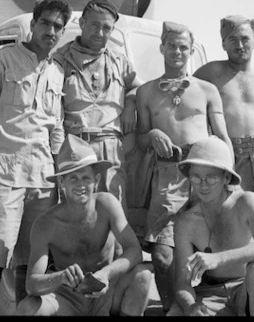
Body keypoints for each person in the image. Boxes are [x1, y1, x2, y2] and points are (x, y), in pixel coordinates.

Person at [0, 0, 72, 315]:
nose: (51, 30)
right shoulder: (4, 58)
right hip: (2, 172)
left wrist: (62, 175)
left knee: (31, 259)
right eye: (46, 23)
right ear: (33, 25)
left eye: (58, 26)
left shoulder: (58, 72)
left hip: (43, 178)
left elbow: (57, 130)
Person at [135, 21, 233, 313]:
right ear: (162, 48)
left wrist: (228, 179)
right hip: (166, 179)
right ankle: (171, 310)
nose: (177, 51)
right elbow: (140, 141)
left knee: (207, 249)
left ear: (191, 51)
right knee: (164, 258)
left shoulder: (207, 90)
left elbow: (223, 136)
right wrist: (151, 135)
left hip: (205, 177)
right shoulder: (146, 92)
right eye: (172, 46)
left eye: (184, 47)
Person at [16, 134, 153, 316]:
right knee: (27, 309)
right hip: (66, 297)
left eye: (86, 178)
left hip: (106, 292)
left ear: (96, 180)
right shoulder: (45, 224)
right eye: (73, 178)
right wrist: (61, 277)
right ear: (61, 182)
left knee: (142, 276)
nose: (80, 184)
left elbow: (135, 251)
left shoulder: (107, 205)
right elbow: (32, 284)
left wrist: (105, 274)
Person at [194, 15, 254, 231]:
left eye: (245, 39)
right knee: (227, 222)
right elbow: (187, 96)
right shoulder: (210, 73)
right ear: (223, 44)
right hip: (226, 158)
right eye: (232, 39)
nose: (239, 45)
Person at [168, 136, 254, 316]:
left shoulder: (247, 202)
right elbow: (182, 284)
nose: (203, 185)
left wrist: (217, 258)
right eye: (196, 178)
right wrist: (190, 306)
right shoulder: (186, 222)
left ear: (227, 177)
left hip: (251, 289)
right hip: (211, 295)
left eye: (211, 178)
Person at [52, 0, 143, 213]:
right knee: (75, 214)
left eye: (106, 28)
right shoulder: (59, 60)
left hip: (110, 147)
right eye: (94, 25)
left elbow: (138, 87)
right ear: (82, 24)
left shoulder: (119, 61)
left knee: (114, 211)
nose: (100, 33)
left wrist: (130, 104)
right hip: (75, 146)